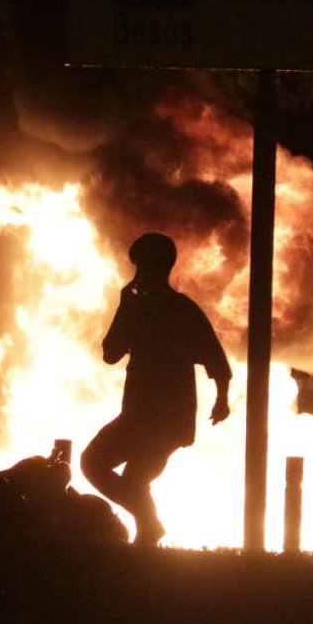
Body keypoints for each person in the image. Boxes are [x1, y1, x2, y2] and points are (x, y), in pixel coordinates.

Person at [80, 232, 231, 546]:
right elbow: (111, 353)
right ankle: (149, 525)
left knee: (127, 476)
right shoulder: (170, 308)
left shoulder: (172, 309)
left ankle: (148, 530)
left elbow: (213, 358)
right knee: (96, 463)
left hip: (162, 420)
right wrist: (126, 307)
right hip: (142, 416)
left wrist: (222, 399)